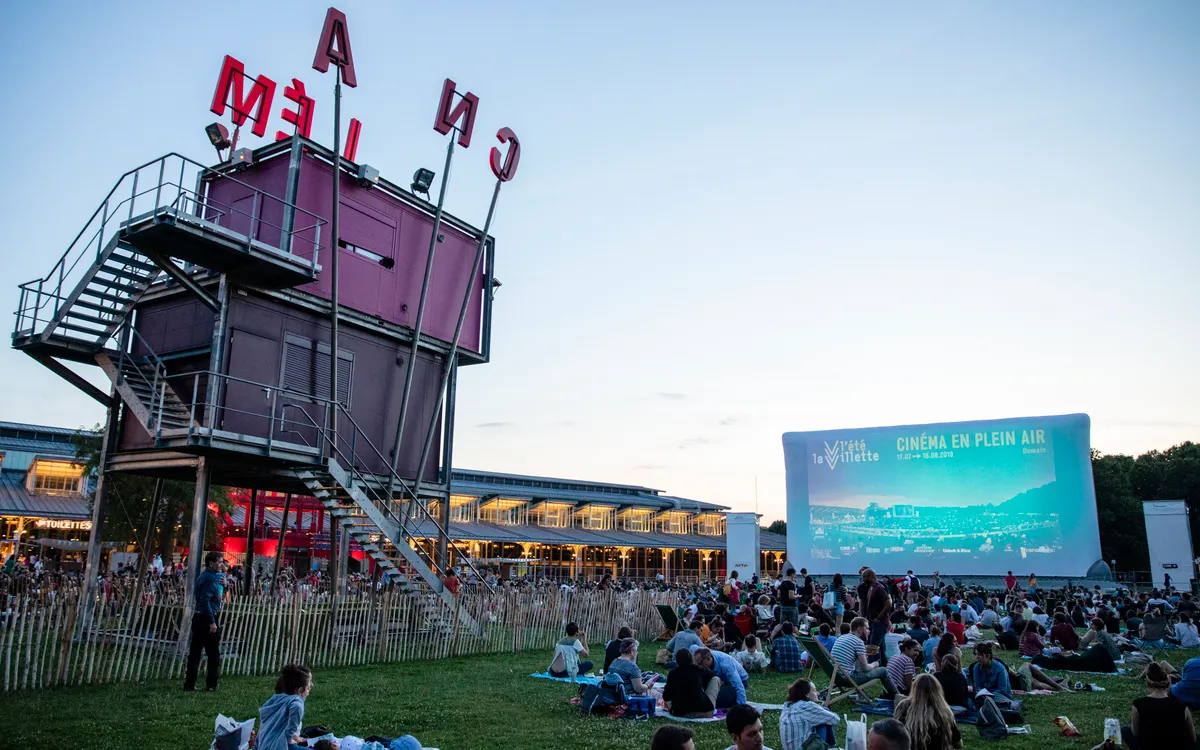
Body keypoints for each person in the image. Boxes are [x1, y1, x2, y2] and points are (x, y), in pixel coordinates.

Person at [1120, 661, 1197, 749]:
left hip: (1147, 746)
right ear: (1169, 682)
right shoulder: (1181, 707)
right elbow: (1193, 738)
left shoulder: (1138, 704)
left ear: (1147, 683)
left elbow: (1135, 734)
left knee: (1125, 730)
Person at [184, 551, 224, 691]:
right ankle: (211, 685)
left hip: (199, 617)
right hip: (207, 617)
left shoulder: (205, 576)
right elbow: (205, 601)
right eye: (219, 562)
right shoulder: (210, 579)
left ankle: (189, 684)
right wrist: (212, 622)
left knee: (195, 652)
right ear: (211, 563)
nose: (221, 564)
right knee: (213, 654)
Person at [893, 673, 963, 750]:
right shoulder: (944, 712)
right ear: (937, 690)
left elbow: (895, 736)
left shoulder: (904, 706)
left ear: (915, 689)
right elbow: (959, 744)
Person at [831, 617, 898, 696]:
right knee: (883, 671)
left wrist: (864, 654)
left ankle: (861, 697)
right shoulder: (858, 642)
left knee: (859, 664)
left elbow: (847, 657)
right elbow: (865, 668)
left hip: (835, 676)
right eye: (867, 628)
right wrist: (875, 664)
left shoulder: (842, 637)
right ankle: (897, 696)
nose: (869, 632)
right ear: (859, 629)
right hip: (848, 679)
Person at [258, 664, 312, 750]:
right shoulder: (296, 701)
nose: (311, 687)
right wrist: (289, 737)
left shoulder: (276, 699)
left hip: (264, 744)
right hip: (280, 746)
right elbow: (297, 707)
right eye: (308, 687)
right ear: (300, 690)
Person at [779, 678, 840, 750]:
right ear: (807, 694)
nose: (818, 693)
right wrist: (820, 709)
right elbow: (835, 719)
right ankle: (832, 746)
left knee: (822, 716)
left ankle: (831, 747)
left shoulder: (788, 705)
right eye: (814, 690)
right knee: (824, 717)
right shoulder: (807, 706)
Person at [664, 648, 717, 718]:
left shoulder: (672, 673)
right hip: (700, 708)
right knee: (716, 679)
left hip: (679, 710)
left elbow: (666, 696)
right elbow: (712, 675)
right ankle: (703, 712)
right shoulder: (697, 670)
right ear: (691, 659)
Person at [861, 568, 894, 655]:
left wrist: (878, 617)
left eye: (865, 577)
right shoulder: (871, 588)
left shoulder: (879, 588)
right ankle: (883, 666)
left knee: (872, 648)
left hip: (880, 623)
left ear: (871, 577)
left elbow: (888, 604)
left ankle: (873, 666)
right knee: (880, 649)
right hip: (875, 622)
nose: (863, 579)